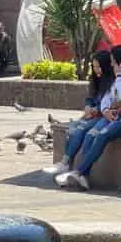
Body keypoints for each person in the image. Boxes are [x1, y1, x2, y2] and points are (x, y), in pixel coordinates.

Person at [55, 44, 121, 191]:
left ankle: (80, 172)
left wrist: (119, 75)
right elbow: (109, 96)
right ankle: (81, 174)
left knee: (102, 135)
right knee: (95, 134)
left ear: (120, 62)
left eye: (113, 61)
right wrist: (106, 110)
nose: (111, 64)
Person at [45, 50, 115, 178]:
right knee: (72, 130)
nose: (96, 70)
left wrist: (96, 110)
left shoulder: (113, 81)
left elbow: (111, 102)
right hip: (91, 115)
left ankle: (77, 170)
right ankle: (65, 163)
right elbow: (90, 98)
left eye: (98, 67)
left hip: (102, 116)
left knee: (84, 131)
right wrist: (88, 106)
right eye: (94, 67)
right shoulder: (95, 80)